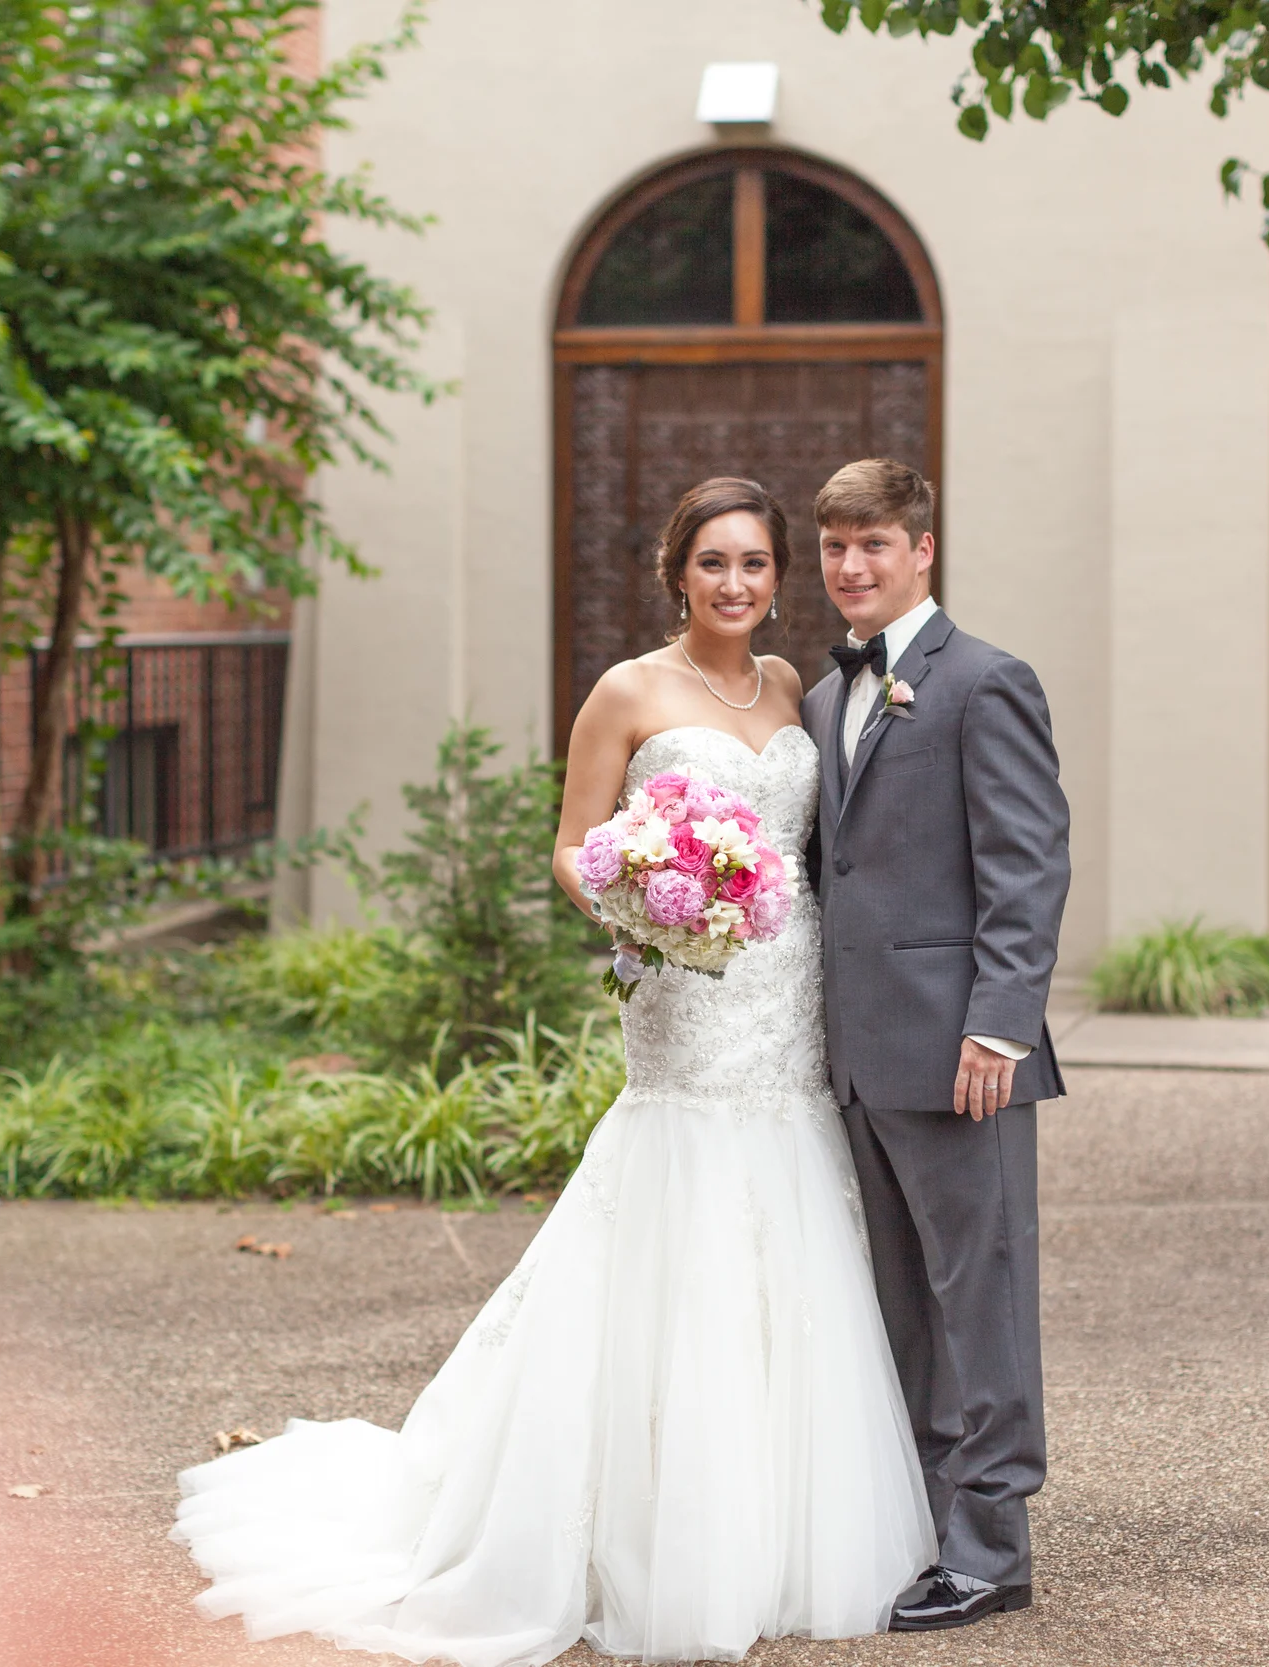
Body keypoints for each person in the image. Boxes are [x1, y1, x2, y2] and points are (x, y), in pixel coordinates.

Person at [170, 476, 932, 1666]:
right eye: (712, 563)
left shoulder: (795, 687)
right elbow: (574, 845)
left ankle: (778, 1519)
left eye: (754, 564)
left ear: (778, 577)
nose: (735, 584)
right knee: (679, 1212)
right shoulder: (626, 690)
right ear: (676, 569)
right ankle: (633, 1525)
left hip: (791, 1000)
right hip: (684, 996)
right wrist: (646, 911)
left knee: (791, 1222)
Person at [800, 457, 1069, 1631]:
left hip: (964, 1054)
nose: (852, 567)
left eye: (874, 544)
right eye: (834, 547)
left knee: (983, 1296)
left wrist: (999, 1024)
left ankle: (992, 1546)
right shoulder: (824, 697)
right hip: (858, 1053)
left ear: (921, 548)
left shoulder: (984, 682)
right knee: (900, 1303)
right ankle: (919, 1520)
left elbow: (1027, 865)